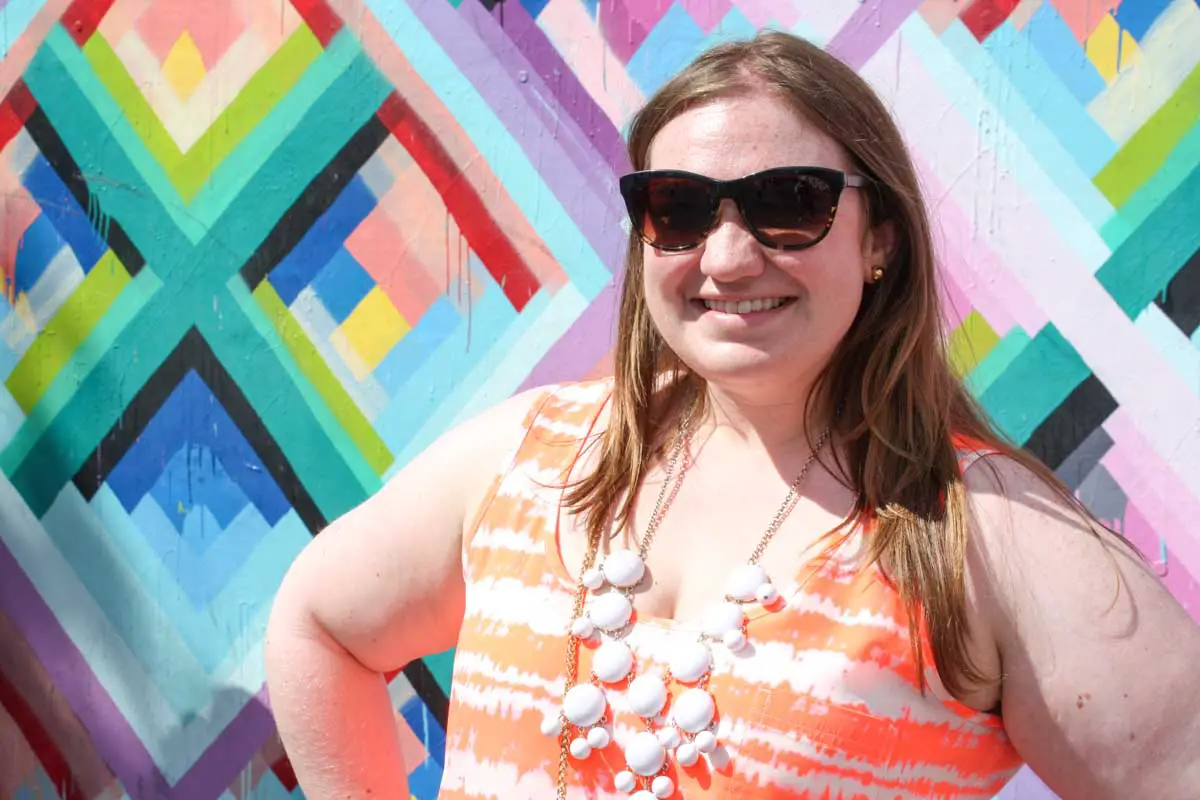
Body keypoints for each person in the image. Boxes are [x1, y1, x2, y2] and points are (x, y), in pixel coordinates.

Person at [263, 30, 1200, 800]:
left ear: (880, 238)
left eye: (788, 205)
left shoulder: (977, 536)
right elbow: (319, 624)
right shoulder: (529, 459)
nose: (727, 257)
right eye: (677, 209)